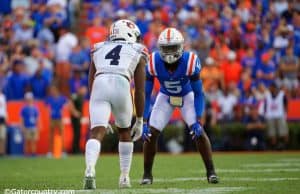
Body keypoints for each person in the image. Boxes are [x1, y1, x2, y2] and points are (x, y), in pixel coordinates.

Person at [141, 28, 218, 185]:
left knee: (199, 132)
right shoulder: (153, 61)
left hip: (186, 95)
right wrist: (143, 121)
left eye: (172, 47)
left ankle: (211, 171)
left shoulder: (190, 61)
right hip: (165, 96)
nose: (169, 52)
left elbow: (198, 94)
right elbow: (146, 94)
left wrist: (198, 119)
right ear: (160, 47)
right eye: (166, 48)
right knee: (151, 133)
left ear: (181, 46)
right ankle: (147, 174)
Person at [83, 19, 147, 189]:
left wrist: (98, 112)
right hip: (121, 83)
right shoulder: (138, 50)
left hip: (100, 84)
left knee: (96, 132)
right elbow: (140, 91)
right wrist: (140, 119)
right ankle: (124, 177)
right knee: (125, 132)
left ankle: (90, 169)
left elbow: (91, 82)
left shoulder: (98, 47)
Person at [265, 83, 289, 150]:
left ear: (274, 88)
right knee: (272, 134)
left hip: (280, 115)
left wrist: (285, 114)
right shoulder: (267, 95)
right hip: (270, 116)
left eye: (271, 87)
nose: (270, 89)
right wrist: (266, 114)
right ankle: (274, 148)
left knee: (284, 133)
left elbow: (286, 105)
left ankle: (285, 146)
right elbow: (266, 105)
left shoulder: (282, 94)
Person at [45, 85, 67, 157]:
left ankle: (63, 152)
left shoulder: (62, 98)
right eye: (51, 90)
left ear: (56, 90)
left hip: (60, 119)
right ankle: (50, 152)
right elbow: (46, 107)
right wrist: (48, 111)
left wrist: (63, 110)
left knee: (62, 135)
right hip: (52, 119)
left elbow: (67, 105)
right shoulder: (49, 99)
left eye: (53, 90)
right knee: (51, 136)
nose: (52, 92)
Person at [0, 90, 7, 156]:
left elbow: (4, 108)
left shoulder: (3, 97)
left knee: (2, 136)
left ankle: (2, 152)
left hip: (2, 118)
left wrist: (6, 117)